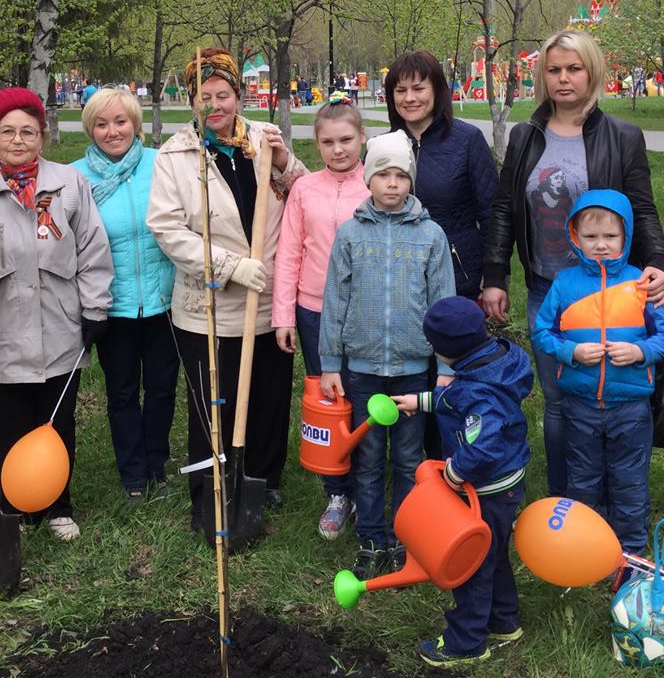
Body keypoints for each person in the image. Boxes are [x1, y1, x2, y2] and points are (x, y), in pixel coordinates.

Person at [481, 29, 664, 497]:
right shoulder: (526, 137)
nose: (563, 79)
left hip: (612, 291)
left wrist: (660, 262)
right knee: (561, 397)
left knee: (614, 391)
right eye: (554, 70)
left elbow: (642, 209)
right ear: (542, 77)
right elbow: (505, 209)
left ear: (592, 72)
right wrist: (495, 275)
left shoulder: (622, 136)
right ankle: (569, 499)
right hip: (550, 289)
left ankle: (621, 489)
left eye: (573, 68)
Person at [0, 87, 113, 541]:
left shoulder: (67, 184)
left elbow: (92, 248)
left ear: (42, 136)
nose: (18, 141)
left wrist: (95, 307)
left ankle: (58, 503)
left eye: (28, 132)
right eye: (7, 132)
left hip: (57, 321)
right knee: (8, 421)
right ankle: (13, 503)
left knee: (56, 419)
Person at [146, 48, 307, 530]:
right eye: (203, 96)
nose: (214, 105)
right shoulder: (176, 154)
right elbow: (167, 227)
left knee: (268, 396)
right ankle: (213, 487)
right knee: (213, 401)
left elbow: (302, 195)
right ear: (190, 100)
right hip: (209, 306)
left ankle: (262, 480)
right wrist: (230, 265)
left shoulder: (263, 139)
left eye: (223, 94)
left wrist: (282, 161)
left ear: (239, 94)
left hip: (269, 299)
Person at [318, 130, 454, 578]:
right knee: (369, 457)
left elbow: (444, 305)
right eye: (383, 175)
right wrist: (331, 364)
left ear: (411, 180)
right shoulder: (351, 234)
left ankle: (405, 536)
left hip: (414, 373)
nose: (392, 183)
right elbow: (335, 302)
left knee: (410, 460)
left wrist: (446, 367)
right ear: (368, 180)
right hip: (363, 371)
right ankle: (372, 537)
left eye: (401, 175)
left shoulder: (432, 236)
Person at [531, 190, 664, 555]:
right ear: (575, 237)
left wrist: (640, 351)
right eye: (591, 237)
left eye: (610, 237)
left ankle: (629, 553)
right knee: (582, 478)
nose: (600, 246)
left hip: (630, 408)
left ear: (625, 237)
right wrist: (571, 351)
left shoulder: (640, 284)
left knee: (629, 481)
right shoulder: (564, 284)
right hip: (579, 404)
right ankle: (585, 547)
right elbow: (541, 332)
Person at [391, 296, 533, 669]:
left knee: (472, 566)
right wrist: (420, 401)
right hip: (507, 484)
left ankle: (467, 642)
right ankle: (504, 621)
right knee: (495, 553)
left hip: (486, 488)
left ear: (448, 350)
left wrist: (453, 475)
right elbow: (457, 398)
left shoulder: (481, 392)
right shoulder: (496, 361)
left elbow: (481, 446)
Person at [385, 50, 497, 460]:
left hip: (459, 281)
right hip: (402, 283)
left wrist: (493, 278)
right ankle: (417, 467)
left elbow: (492, 212)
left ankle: (465, 463)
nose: (410, 97)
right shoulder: (385, 145)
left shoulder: (466, 140)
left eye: (419, 87)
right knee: (414, 378)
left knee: (456, 379)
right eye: (400, 89)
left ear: (437, 90)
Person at [71, 89, 178, 504]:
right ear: (90, 129)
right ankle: (133, 472)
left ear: (135, 123)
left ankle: (157, 463)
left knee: (162, 388)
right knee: (121, 392)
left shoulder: (161, 165)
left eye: (120, 122)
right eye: (102, 123)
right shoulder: (76, 177)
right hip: (110, 305)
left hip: (163, 301)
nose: (112, 131)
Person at [272, 95, 369, 539]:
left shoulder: (379, 184)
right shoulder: (304, 190)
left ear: (363, 138)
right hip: (313, 311)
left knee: (365, 399)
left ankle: (369, 486)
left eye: (347, 139)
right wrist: (284, 315)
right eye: (328, 142)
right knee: (328, 400)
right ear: (316, 145)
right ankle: (337, 491)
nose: (338, 149)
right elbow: (289, 252)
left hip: (366, 313)